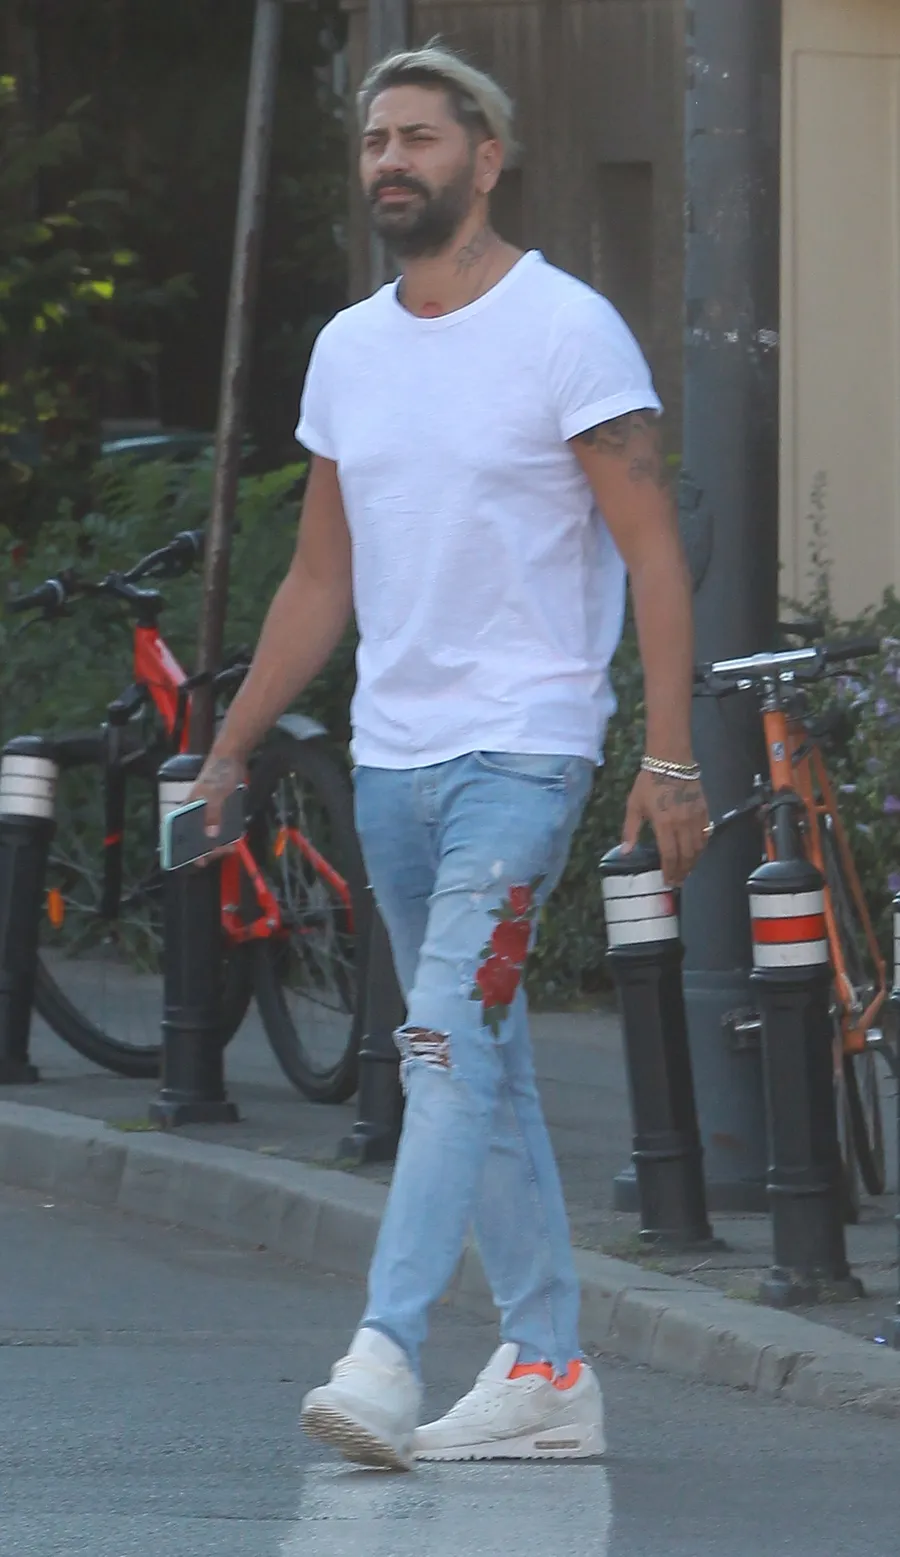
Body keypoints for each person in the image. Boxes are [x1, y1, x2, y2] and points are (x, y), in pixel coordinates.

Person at [192, 43, 709, 1470]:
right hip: (392, 765)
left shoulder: (567, 331)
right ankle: (547, 1369)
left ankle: (386, 1350)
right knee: (478, 1062)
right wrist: (227, 749)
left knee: (437, 1046)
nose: (391, 161)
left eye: (419, 136)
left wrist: (669, 756)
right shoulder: (349, 350)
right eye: (375, 141)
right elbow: (321, 578)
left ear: (487, 159)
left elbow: (653, 553)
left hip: (522, 756)